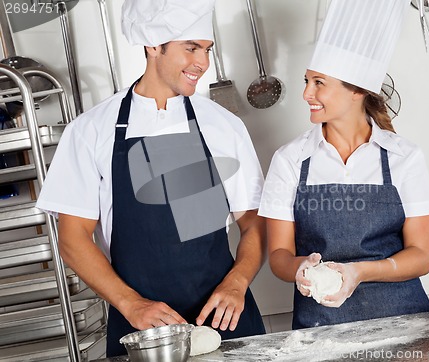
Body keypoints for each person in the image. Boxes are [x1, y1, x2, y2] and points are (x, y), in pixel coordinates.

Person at [36, 0, 266, 356]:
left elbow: (254, 224)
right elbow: (72, 238)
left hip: (225, 321)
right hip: (142, 331)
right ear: (153, 46)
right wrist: (131, 304)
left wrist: (237, 282)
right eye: (190, 48)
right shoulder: (91, 131)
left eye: (206, 49)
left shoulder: (223, 125)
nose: (202, 63)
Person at [258, 0, 429, 330]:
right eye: (306, 81)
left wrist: (359, 271)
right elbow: (279, 256)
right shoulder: (290, 160)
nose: (306, 93)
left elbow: (421, 255)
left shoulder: (403, 157)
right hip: (320, 327)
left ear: (356, 91)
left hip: (404, 322)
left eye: (319, 83)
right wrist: (301, 268)